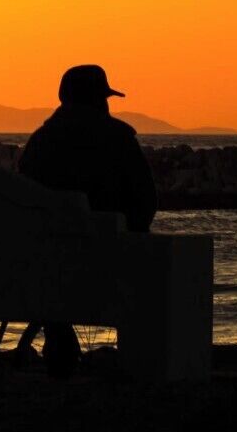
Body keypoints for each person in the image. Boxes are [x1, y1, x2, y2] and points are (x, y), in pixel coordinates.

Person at [18, 64, 158, 370]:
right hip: (109, 270)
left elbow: (22, 204)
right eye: (104, 98)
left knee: (52, 248)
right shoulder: (119, 140)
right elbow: (146, 202)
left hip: (44, 273)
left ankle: (59, 340)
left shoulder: (40, 142)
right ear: (98, 101)